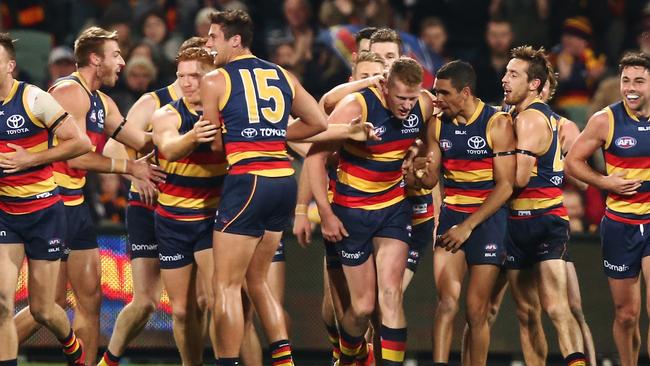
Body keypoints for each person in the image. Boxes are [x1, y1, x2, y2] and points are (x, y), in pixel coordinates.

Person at [13, 26, 162, 365]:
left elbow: (141, 140)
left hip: (76, 206)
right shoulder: (69, 92)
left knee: (90, 299)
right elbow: (75, 154)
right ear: (95, 59)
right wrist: (129, 168)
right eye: (116, 55)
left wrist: (184, 125)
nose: (122, 62)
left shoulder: (102, 101)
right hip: (52, 203)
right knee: (48, 305)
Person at [201, 10, 328, 366]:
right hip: (283, 179)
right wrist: (275, 133)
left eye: (213, 37)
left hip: (248, 180)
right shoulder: (282, 74)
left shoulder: (215, 79)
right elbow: (317, 121)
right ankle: (285, 362)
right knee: (258, 281)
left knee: (225, 285)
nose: (209, 44)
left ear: (235, 40)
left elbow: (213, 144)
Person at [460, 69, 596, 366]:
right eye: (507, 76)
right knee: (503, 310)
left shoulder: (563, 125)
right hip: (508, 221)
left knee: (568, 308)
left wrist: (556, 163)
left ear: (541, 89)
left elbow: (582, 178)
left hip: (547, 218)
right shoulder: (501, 121)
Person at [308, 56, 433, 366]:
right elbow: (314, 158)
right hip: (352, 214)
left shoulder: (424, 105)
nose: (406, 105)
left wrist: (421, 162)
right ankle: (352, 355)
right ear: (385, 87)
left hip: (393, 210)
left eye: (412, 97)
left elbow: (430, 146)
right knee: (362, 307)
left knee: (390, 296)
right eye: (400, 97)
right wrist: (324, 212)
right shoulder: (356, 106)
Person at [97, 36, 207, 366]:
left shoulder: (216, 103)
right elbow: (113, 148)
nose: (189, 79)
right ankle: (110, 360)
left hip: (196, 208)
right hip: (149, 207)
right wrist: (138, 174)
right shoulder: (154, 101)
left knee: (197, 302)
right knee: (145, 302)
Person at [410, 60, 514, 366]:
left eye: (443, 92)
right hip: (452, 218)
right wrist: (416, 173)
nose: (436, 98)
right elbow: (430, 179)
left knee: (476, 310)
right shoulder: (437, 124)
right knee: (446, 303)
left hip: (487, 221)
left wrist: (468, 227)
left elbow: (506, 186)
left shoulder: (497, 123)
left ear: (465, 92)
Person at [0, 32, 91, 366]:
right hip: (5, 212)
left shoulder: (34, 99)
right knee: (1, 302)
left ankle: (70, 343)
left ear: (10, 66)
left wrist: (31, 159)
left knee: (43, 308)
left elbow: (80, 143)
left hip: (43, 211)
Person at [293, 50, 386, 365]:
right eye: (365, 77)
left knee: (377, 306)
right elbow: (312, 153)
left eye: (382, 72)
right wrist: (302, 210)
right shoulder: (339, 113)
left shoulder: (401, 107)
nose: (373, 83)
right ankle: (347, 354)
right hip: (343, 214)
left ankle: (362, 358)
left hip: (389, 217)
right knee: (336, 309)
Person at [502, 45, 586, 366]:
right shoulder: (524, 116)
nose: (504, 79)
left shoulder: (530, 119)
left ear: (534, 84)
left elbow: (519, 178)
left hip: (538, 220)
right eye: (506, 72)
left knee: (550, 308)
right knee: (532, 312)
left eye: (513, 74)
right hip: (530, 219)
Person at [565, 51, 650, 366]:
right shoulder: (605, 120)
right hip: (619, 225)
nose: (631, 87)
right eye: (626, 79)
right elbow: (572, 161)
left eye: (639, 81)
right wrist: (605, 183)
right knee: (626, 314)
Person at [151, 46, 222, 365]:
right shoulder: (168, 114)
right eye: (182, 76)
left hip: (212, 218)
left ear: (212, 76)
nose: (188, 82)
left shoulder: (227, 110)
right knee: (180, 310)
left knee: (215, 300)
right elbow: (168, 148)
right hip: (172, 220)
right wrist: (193, 136)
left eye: (195, 75)